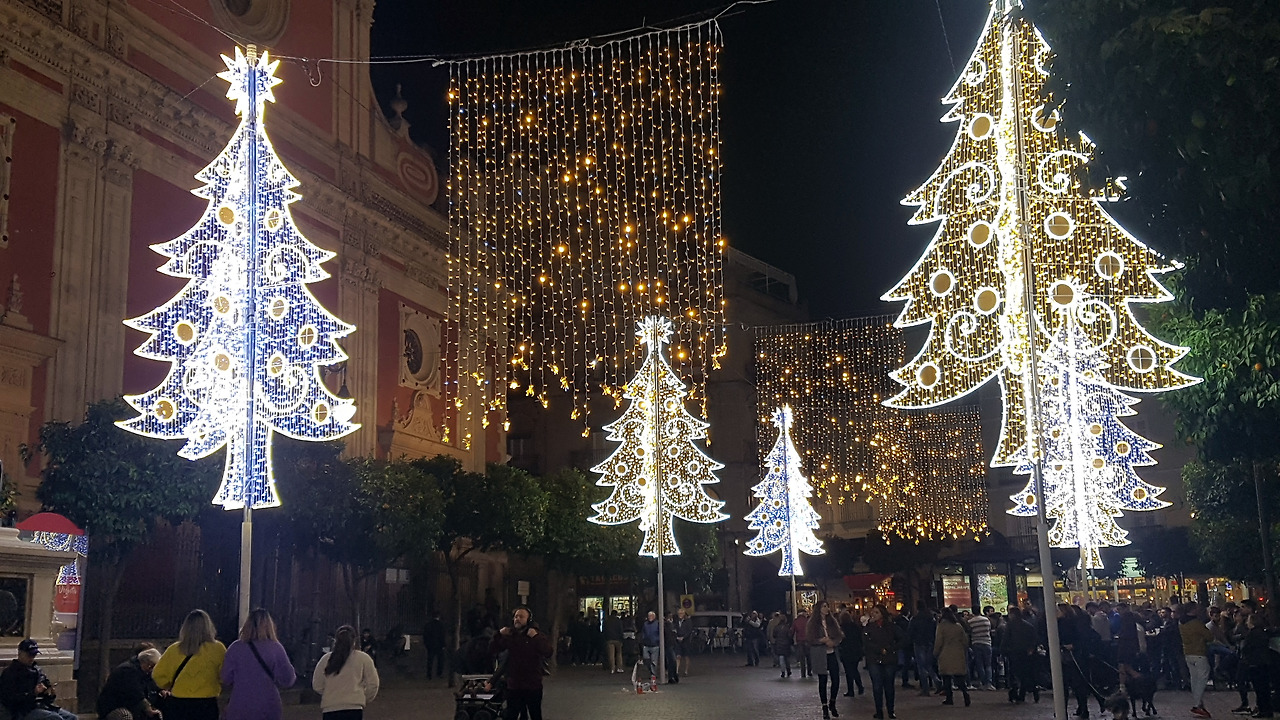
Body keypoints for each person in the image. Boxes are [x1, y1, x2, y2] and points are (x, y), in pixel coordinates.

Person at [221, 607, 296, 720]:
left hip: (240, 705)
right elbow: (288, 680)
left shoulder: (235, 648)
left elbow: (225, 678)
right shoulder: (276, 648)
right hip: (268, 705)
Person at [152, 609, 226, 720]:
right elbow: (224, 676)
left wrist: (168, 685)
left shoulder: (174, 649)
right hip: (206, 704)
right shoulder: (218, 649)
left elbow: (158, 675)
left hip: (179, 703)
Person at [490, 606, 553, 720]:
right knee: (511, 715)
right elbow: (493, 649)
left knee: (535, 714)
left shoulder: (535, 635)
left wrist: (536, 637)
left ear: (528, 620)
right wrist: (498, 634)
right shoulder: (510, 636)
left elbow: (548, 652)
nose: (517, 619)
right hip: (514, 685)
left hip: (532, 685)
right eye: (516, 617)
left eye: (521, 617)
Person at [313, 625, 380, 720]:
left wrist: (330, 694)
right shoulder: (363, 658)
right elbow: (373, 684)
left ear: (336, 640)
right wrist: (362, 698)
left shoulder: (325, 659)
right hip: (354, 708)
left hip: (330, 708)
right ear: (354, 640)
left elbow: (317, 685)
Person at [0, 639, 77, 720]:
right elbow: (9, 699)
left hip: (41, 706)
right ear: (20, 653)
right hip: (23, 710)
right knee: (55, 718)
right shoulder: (11, 673)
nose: (32, 658)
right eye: (29, 655)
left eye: (34, 655)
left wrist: (50, 693)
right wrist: (33, 693)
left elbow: (46, 694)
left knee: (71, 717)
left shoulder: (37, 670)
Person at [97, 647, 163, 720]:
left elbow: (152, 685)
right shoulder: (127, 671)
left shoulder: (144, 673)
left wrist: (160, 690)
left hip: (132, 706)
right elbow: (135, 693)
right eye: (152, 666)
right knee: (125, 716)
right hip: (113, 707)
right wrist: (148, 708)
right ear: (147, 663)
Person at [864, 605, 904, 720]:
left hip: (889, 659)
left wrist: (892, 648)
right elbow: (866, 642)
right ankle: (879, 711)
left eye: (876, 612)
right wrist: (878, 649)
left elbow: (903, 639)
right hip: (874, 659)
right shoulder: (869, 627)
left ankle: (890, 710)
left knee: (889, 685)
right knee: (877, 686)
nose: (873, 614)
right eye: (873, 612)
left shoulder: (891, 626)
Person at [808, 600, 846, 719]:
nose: (826, 609)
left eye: (827, 606)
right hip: (820, 654)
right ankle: (824, 706)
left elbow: (839, 636)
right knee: (823, 680)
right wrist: (821, 641)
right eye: (824, 606)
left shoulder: (832, 622)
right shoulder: (813, 623)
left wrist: (833, 642)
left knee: (836, 679)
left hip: (832, 653)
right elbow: (810, 639)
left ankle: (832, 702)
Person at [1178, 602, 1213, 718]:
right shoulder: (1196, 623)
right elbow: (1209, 636)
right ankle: (1197, 704)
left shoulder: (1181, 622)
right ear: (1193, 609)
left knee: (1194, 679)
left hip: (1188, 652)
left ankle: (1198, 702)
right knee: (1202, 678)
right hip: (1199, 652)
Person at [935, 608, 971, 707]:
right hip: (958, 653)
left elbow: (939, 641)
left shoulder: (941, 627)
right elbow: (965, 641)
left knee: (946, 677)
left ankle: (949, 698)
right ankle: (965, 693)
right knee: (959, 677)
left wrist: (936, 652)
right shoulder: (958, 626)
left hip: (945, 653)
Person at [1002, 606, 1039, 704]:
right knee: (1026, 674)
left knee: (1014, 674)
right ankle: (1029, 692)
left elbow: (1006, 639)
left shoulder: (1010, 625)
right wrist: (1031, 648)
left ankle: (1015, 693)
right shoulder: (1028, 625)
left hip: (1014, 652)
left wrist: (1003, 650)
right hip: (1026, 653)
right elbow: (1034, 638)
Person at [908, 602, 940, 695]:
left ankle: (925, 688)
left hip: (918, 643)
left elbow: (910, 632)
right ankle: (936, 680)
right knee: (928, 665)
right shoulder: (931, 618)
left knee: (921, 666)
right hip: (929, 643)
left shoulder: (915, 619)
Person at [966, 605, 995, 691]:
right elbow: (989, 630)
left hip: (976, 643)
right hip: (987, 642)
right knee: (988, 664)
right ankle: (989, 683)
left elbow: (969, 632)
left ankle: (983, 682)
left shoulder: (970, 621)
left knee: (980, 664)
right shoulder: (986, 620)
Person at [838, 609, 865, 696]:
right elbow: (860, 638)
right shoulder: (855, 626)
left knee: (848, 672)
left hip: (846, 652)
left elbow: (840, 640)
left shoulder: (841, 628)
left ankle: (851, 690)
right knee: (854, 670)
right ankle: (860, 686)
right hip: (856, 651)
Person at [424, 611, 447, 680]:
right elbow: (442, 636)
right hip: (439, 645)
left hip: (430, 645)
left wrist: (426, 644)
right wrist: (443, 644)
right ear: (439, 616)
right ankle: (439, 673)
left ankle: (429, 674)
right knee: (440, 660)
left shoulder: (428, 625)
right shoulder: (441, 625)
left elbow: (425, 635)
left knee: (430, 660)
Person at [640, 611, 661, 683]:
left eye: (651, 616)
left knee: (654, 661)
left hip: (655, 644)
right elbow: (643, 632)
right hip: (646, 644)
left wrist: (658, 640)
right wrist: (643, 639)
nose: (650, 617)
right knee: (646, 659)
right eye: (649, 616)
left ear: (654, 617)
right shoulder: (645, 624)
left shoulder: (658, 623)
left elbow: (660, 632)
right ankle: (651, 670)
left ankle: (653, 674)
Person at [772, 612, 794, 677]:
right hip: (786, 644)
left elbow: (774, 635)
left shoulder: (776, 627)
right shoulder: (787, 627)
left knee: (781, 658)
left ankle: (783, 671)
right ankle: (788, 670)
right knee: (787, 659)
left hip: (779, 644)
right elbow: (790, 636)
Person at [673, 608, 693, 678]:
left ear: (684, 614)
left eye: (681, 613)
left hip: (686, 641)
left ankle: (686, 671)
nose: (680, 615)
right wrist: (676, 636)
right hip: (678, 640)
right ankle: (676, 671)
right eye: (679, 613)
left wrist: (683, 637)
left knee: (686, 656)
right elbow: (674, 629)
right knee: (678, 656)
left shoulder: (688, 621)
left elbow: (689, 631)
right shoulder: (676, 621)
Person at [793, 609, 812, 678]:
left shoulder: (796, 621)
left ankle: (803, 673)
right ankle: (809, 671)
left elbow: (792, 631)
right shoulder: (808, 620)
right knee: (809, 657)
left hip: (800, 641)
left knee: (802, 658)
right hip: (808, 640)